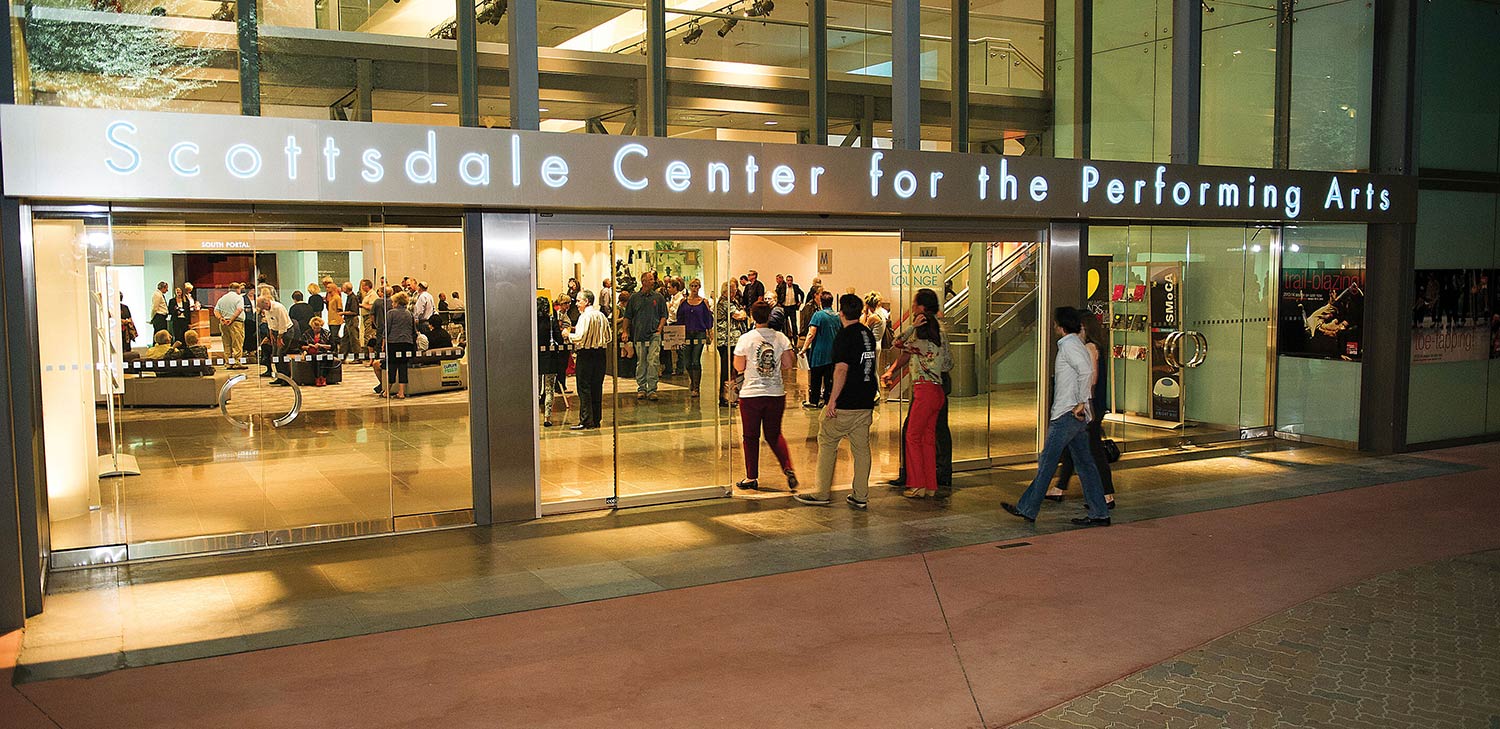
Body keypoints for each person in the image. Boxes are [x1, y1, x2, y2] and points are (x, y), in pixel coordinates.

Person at [1003, 307, 1111, 527]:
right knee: (1085, 464)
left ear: (1061, 326)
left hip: (1066, 414)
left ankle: (1028, 508)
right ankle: (1100, 512)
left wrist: (1081, 403)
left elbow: (1086, 372)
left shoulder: (1070, 346)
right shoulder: (1075, 344)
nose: (1053, 326)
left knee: (1048, 462)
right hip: (1073, 415)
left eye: (1055, 323)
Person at [796, 294, 879, 509]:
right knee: (861, 449)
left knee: (827, 440)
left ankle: (821, 492)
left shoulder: (844, 336)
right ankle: (860, 495)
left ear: (841, 313)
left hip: (846, 401)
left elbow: (841, 370)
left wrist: (832, 400)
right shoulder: (867, 333)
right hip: (865, 399)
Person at [1045, 312, 1117, 507]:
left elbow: (1090, 378)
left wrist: (1081, 403)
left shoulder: (1089, 348)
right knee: (1075, 447)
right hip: (1091, 405)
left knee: (1093, 450)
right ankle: (1060, 488)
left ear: (1084, 327)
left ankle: (1106, 494)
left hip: (1088, 406)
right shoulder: (1094, 346)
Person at [882, 289, 948, 499]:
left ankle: (917, 484)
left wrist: (912, 326)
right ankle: (930, 485)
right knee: (928, 438)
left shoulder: (918, 343)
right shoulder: (940, 339)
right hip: (937, 390)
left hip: (924, 391)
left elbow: (896, 341)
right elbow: (948, 364)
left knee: (912, 436)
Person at [733, 301, 798, 492]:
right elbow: (788, 364)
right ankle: (787, 467)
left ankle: (751, 476)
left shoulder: (745, 339)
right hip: (775, 393)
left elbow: (739, 366)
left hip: (751, 394)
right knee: (774, 434)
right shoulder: (781, 338)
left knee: (750, 436)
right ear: (769, 316)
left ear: (752, 316)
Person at [567, 290, 611, 430]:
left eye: (579, 301)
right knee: (597, 387)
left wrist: (568, 334)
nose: (576, 304)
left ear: (586, 301)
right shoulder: (601, 316)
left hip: (586, 355)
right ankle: (596, 419)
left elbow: (579, 337)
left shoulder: (585, 317)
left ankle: (586, 420)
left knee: (584, 387)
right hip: (600, 355)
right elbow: (608, 337)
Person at [622, 270, 668, 400]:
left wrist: (659, 328)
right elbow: (627, 316)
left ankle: (652, 389)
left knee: (653, 361)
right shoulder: (634, 298)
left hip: (654, 334)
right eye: (651, 279)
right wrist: (625, 331)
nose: (653, 281)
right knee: (641, 362)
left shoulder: (658, 297)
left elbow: (664, 315)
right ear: (644, 282)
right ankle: (641, 388)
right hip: (639, 335)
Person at [801, 290, 839, 408]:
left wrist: (804, 348)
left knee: (816, 378)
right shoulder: (837, 316)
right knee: (829, 379)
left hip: (819, 353)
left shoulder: (818, 315)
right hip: (833, 353)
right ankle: (828, 401)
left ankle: (814, 400)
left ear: (821, 302)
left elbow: (811, 333)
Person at [676, 278, 713, 398]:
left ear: (699, 287)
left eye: (696, 286)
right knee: (687, 361)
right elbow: (679, 317)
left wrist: (709, 331)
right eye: (692, 286)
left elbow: (708, 318)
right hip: (686, 333)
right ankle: (692, 381)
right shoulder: (684, 302)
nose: (694, 288)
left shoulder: (703, 302)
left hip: (699, 333)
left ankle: (696, 387)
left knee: (696, 359)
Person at [714, 279, 748, 407]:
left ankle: (732, 396)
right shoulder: (724, 303)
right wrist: (743, 313)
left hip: (733, 341)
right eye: (733, 290)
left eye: (735, 290)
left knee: (733, 370)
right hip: (726, 341)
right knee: (726, 370)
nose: (735, 293)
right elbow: (739, 315)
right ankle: (725, 398)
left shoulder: (733, 302)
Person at [537, 296, 568, 427]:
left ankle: (534, 416)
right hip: (550, 358)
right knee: (549, 389)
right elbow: (559, 339)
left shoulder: (533, 321)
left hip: (536, 358)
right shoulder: (551, 320)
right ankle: (547, 417)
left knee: (535, 388)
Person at [380, 291, 417, 399]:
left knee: (392, 367)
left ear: (397, 302)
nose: (392, 304)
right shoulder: (409, 314)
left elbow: (386, 330)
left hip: (393, 343)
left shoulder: (391, 313)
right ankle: (401, 392)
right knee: (403, 367)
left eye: (393, 302)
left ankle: (387, 391)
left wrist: (383, 344)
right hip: (407, 343)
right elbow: (413, 331)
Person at [256, 294, 293, 382]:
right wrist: (271, 334)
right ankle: (279, 376)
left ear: (266, 303)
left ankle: (286, 378)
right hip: (275, 331)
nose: (263, 310)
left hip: (285, 331)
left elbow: (283, 324)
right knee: (275, 355)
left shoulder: (278, 308)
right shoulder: (267, 310)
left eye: (263, 307)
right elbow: (270, 322)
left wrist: (280, 338)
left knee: (280, 354)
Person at [298, 316, 338, 387]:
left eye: (318, 328)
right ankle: (317, 378)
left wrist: (321, 345)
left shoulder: (327, 333)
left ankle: (323, 377)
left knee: (328, 358)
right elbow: (300, 346)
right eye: (314, 328)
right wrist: (308, 347)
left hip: (324, 352)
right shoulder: (306, 333)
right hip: (311, 353)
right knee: (313, 359)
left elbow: (332, 346)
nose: (316, 330)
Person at [214, 283, 247, 369]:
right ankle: (236, 362)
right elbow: (239, 309)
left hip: (224, 323)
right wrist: (231, 319)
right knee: (237, 342)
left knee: (226, 343)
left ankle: (228, 362)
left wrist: (221, 318)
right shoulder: (239, 298)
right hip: (236, 322)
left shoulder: (222, 298)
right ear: (237, 289)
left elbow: (216, 311)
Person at [664, 278, 685, 376]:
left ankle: (680, 368)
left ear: (675, 288)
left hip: (677, 323)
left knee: (679, 348)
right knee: (669, 348)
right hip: (670, 322)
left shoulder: (680, 299)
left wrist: (670, 307)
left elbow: (677, 312)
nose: (667, 289)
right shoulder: (672, 297)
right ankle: (670, 368)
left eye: (669, 287)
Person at [777, 274, 805, 340]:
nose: (789, 282)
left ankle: (795, 336)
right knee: (784, 323)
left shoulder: (795, 287)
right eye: (788, 280)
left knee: (794, 323)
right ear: (786, 281)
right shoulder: (782, 287)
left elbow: (802, 293)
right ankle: (785, 336)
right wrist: (779, 303)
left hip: (792, 307)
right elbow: (777, 294)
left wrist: (800, 301)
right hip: (784, 307)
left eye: (791, 280)